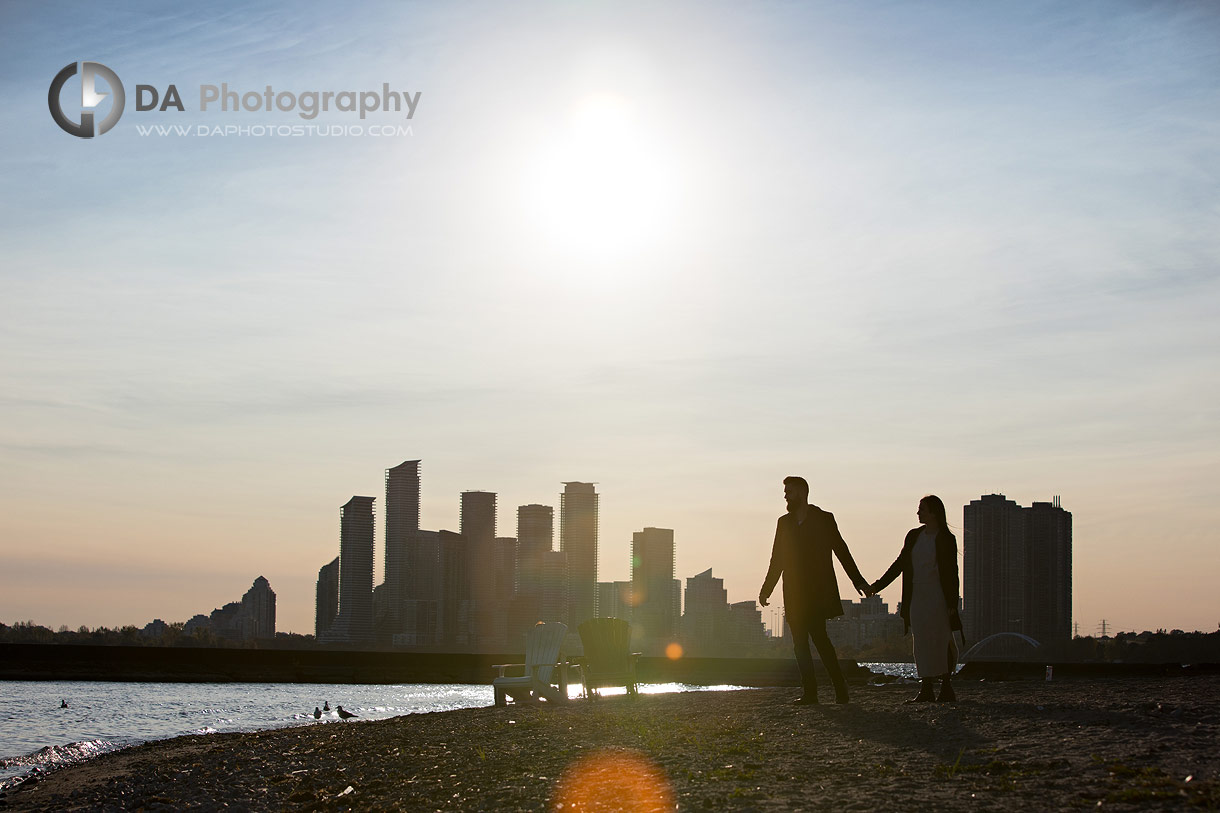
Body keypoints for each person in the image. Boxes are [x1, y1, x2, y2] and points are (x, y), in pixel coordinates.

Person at [760, 476, 870, 704]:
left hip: (818, 592)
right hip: (793, 593)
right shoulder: (784, 523)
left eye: (789, 492)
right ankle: (810, 693)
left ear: (801, 492)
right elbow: (777, 559)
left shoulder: (824, 519)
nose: (785, 496)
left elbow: (841, 550)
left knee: (820, 640)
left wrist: (858, 581)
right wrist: (766, 589)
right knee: (799, 643)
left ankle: (840, 688)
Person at [870, 494, 963, 703]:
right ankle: (927, 687)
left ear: (933, 512)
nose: (918, 512)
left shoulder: (946, 538)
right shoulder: (914, 536)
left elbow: (952, 573)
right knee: (921, 642)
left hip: (938, 596)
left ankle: (946, 686)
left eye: (922, 509)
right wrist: (877, 586)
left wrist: (952, 603)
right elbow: (900, 564)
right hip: (917, 596)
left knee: (941, 640)